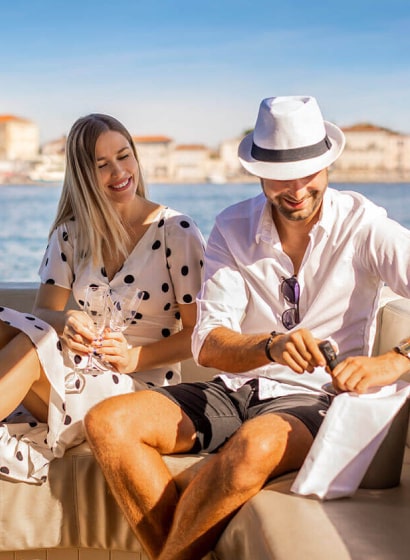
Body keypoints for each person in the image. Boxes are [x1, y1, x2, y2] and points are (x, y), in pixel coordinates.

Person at [84, 96, 410, 560]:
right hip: (234, 389)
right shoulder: (232, 227)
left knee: (255, 445)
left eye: (308, 172)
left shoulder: (364, 227)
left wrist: (394, 361)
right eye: (280, 176)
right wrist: (271, 347)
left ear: (327, 165)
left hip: (315, 398)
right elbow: (208, 341)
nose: (296, 188)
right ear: (258, 172)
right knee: (107, 422)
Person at [0, 113, 205, 484]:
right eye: (102, 164)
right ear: (83, 175)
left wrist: (131, 358)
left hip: (142, 389)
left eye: (124, 156)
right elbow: (44, 311)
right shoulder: (70, 234)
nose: (119, 172)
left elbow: (200, 334)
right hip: (79, 368)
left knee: (31, 347)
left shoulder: (176, 231)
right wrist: (65, 321)